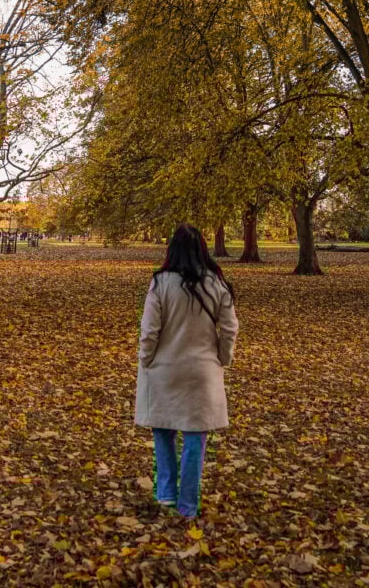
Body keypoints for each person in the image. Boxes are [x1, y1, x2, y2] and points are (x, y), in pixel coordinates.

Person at [135, 222, 239, 519]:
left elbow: (149, 331)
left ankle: (166, 494)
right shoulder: (216, 283)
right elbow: (230, 327)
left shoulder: (160, 283)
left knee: (163, 431)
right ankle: (188, 505)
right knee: (196, 437)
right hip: (202, 371)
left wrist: (147, 360)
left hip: (165, 369)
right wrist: (222, 357)